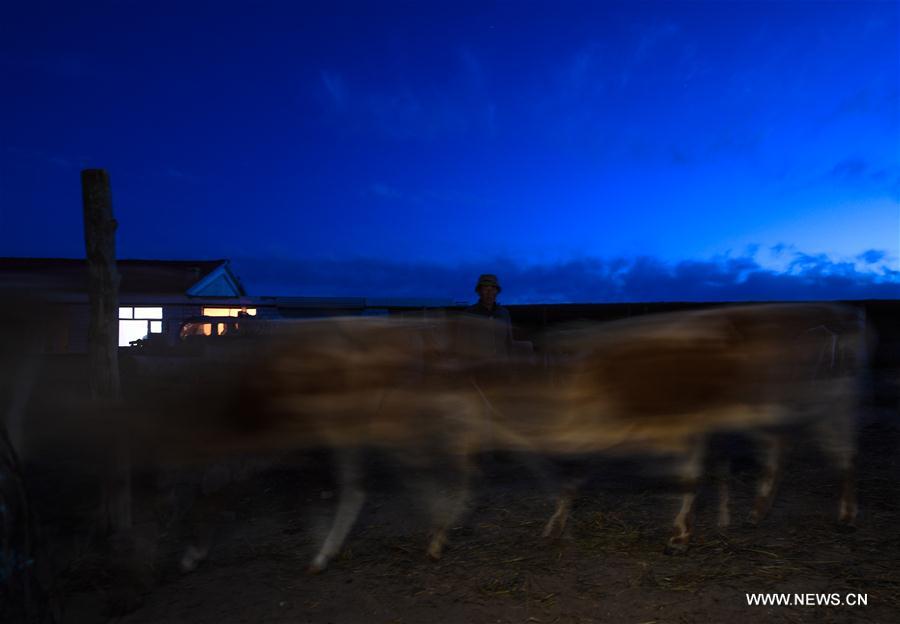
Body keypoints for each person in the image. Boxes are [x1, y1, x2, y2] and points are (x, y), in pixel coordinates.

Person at [460, 274, 513, 364]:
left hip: (502, 366)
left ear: (497, 292)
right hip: (478, 366)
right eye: (485, 289)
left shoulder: (504, 313)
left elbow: (509, 342)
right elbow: (463, 344)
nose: (489, 293)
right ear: (479, 292)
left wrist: (510, 364)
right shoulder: (469, 314)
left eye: (493, 289)